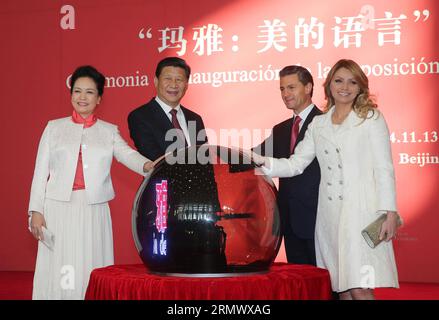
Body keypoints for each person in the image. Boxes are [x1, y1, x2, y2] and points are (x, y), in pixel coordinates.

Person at [250, 59, 401, 300]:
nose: (345, 87)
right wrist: (258, 160)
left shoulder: (371, 118)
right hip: (329, 216)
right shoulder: (319, 124)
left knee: (360, 286)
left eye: (352, 82)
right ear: (329, 85)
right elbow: (296, 164)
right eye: (339, 80)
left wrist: (390, 213)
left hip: (362, 213)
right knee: (342, 287)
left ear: (360, 86)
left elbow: (384, 168)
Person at [28, 65, 153, 299]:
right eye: (77, 91)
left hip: (94, 209)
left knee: (91, 261)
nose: (82, 97)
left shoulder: (108, 131)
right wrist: (36, 210)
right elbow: (39, 172)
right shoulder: (54, 128)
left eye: (89, 92)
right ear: (71, 94)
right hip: (58, 208)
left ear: (99, 98)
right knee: (60, 265)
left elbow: (128, 155)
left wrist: (149, 166)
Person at [255, 65, 321, 266]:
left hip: (320, 219)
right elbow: (255, 155)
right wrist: (219, 156)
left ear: (308, 87)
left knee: (327, 285)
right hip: (289, 222)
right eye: (282, 89)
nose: (285, 94)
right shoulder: (281, 129)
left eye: (291, 87)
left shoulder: (326, 122)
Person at [128, 56, 207, 161]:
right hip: (162, 177)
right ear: (156, 81)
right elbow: (155, 158)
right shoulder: (140, 117)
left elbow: (204, 157)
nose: (173, 85)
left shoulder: (195, 118)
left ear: (186, 85)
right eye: (168, 78)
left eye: (179, 79)